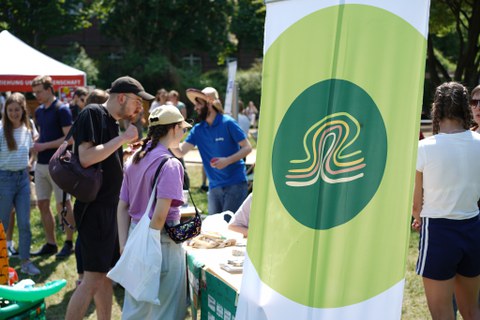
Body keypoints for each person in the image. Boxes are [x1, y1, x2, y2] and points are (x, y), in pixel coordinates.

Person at [65, 76, 152, 320]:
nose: (139, 108)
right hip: (95, 210)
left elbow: (104, 158)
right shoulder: (93, 113)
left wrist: (124, 154)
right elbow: (86, 157)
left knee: (105, 275)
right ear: (121, 97)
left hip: (107, 209)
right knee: (91, 279)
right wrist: (123, 139)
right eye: (137, 101)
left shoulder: (110, 121)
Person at [412, 81, 480, 319]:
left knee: (441, 312)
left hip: (439, 232)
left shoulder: (423, 148)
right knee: (472, 310)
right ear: (466, 108)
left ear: (436, 109)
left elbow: (415, 204)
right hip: (473, 228)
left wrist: (416, 218)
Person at [117, 104, 190, 319]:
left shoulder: (134, 159)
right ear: (175, 128)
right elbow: (159, 217)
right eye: (182, 128)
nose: (184, 132)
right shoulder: (170, 164)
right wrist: (148, 245)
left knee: (135, 311)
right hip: (162, 243)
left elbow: (122, 206)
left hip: (134, 238)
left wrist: (124, 245)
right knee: (166, 312)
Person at [172, 87, 252, 216]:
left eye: (199, 103)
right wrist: (170, 135)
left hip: (235, 185)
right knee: (214, 230)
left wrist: (227, 160)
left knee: (227, 228)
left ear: (209, 104)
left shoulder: (228, 123)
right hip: (214, 187)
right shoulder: (198, 129)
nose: (195, 107)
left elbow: (247, 147)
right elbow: (180, 152)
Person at [31, 75, 75, 258]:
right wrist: (37, 141)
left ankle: (69, 242)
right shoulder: (39, 111)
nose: (37, 96)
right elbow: (42, 134)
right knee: (42, 204)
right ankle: (51, 243)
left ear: (50, 89)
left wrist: (44, 145)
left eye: (39, 91)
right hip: (40, 164)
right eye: (34, 92)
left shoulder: (62, 109)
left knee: (63, 204)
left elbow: (70, 139)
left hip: (59, 165)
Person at [0, 93, 40, 275]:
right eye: (10, 110)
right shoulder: (1, 130)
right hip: (4, 180)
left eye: (17, 110)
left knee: (25, 223)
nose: (14, 113)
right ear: (5, 111)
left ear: (22, 110)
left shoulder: (27, 128)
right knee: (3, 223)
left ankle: (25, 261)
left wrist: (30, 162)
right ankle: (2, 264)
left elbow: (31, 151)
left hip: (23, 180)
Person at [75, 88, 109, 287]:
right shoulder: (91, 123)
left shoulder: (92, 124)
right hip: (92, 197)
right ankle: (83, 276)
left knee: (85, 240)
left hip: (89, 193)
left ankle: (84, 276)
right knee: (87, 243)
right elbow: (88, 159)